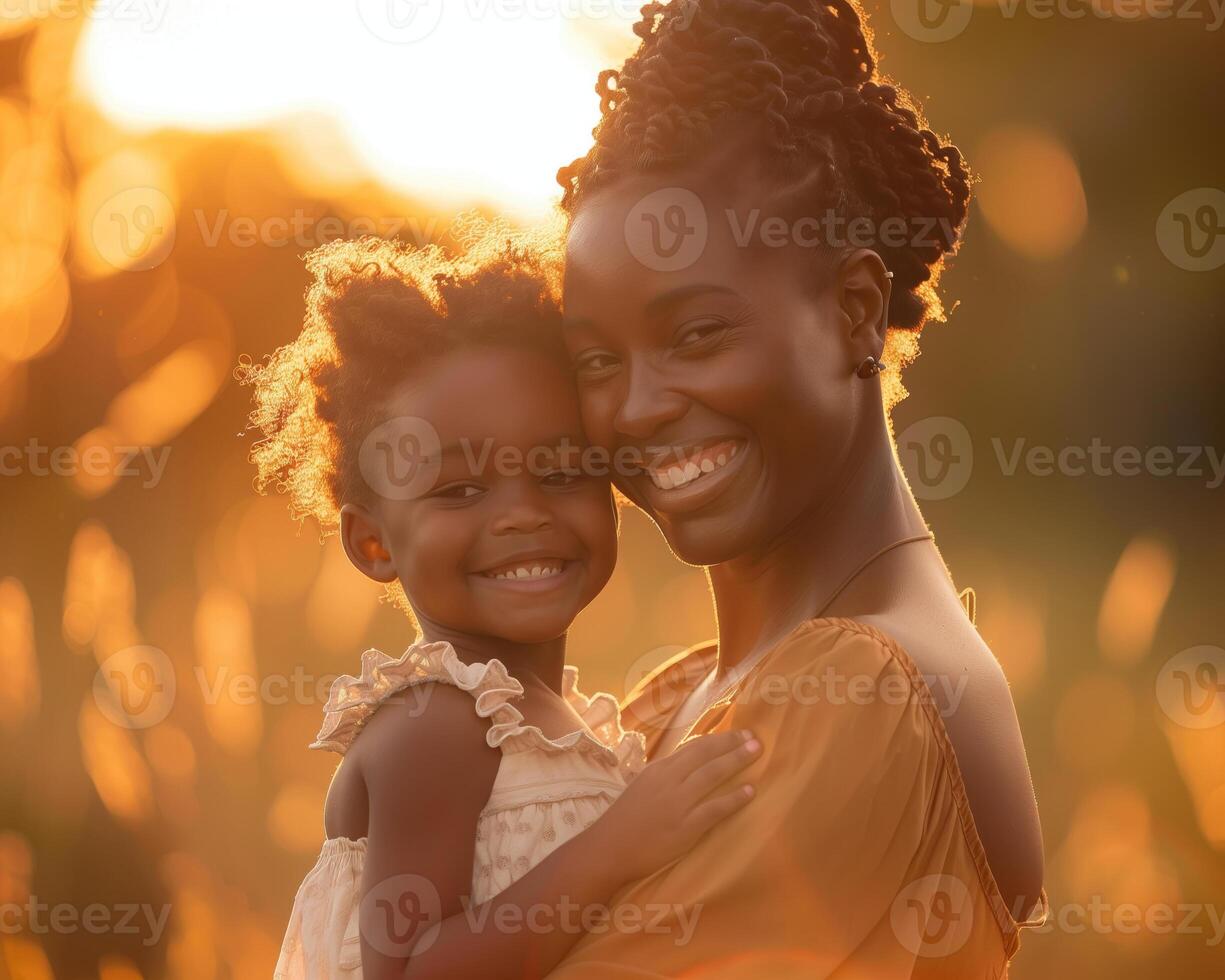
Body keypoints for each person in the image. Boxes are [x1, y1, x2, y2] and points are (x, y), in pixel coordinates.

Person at [549, 0, 1046, 975]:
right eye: (597, 358)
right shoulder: (702, 689)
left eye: (696, 333)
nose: (639, 406)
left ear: (855, 309)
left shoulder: (863, 691)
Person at [241, 228, 762, 978]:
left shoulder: (552, 723)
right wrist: (617, 846)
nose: (522, 515)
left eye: (560, 473)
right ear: (374, 545)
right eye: (460, 491)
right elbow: (411, 970)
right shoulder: (438, 725)